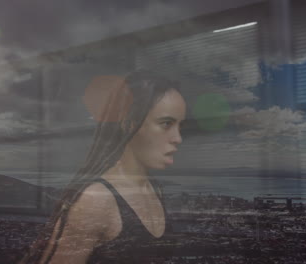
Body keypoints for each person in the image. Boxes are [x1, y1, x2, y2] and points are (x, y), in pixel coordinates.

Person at [20, 70, 186, 264]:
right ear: (130, 124)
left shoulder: (153, 188)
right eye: (166, 123)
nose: (178, 138)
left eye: (180, 125)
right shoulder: (96, 201)